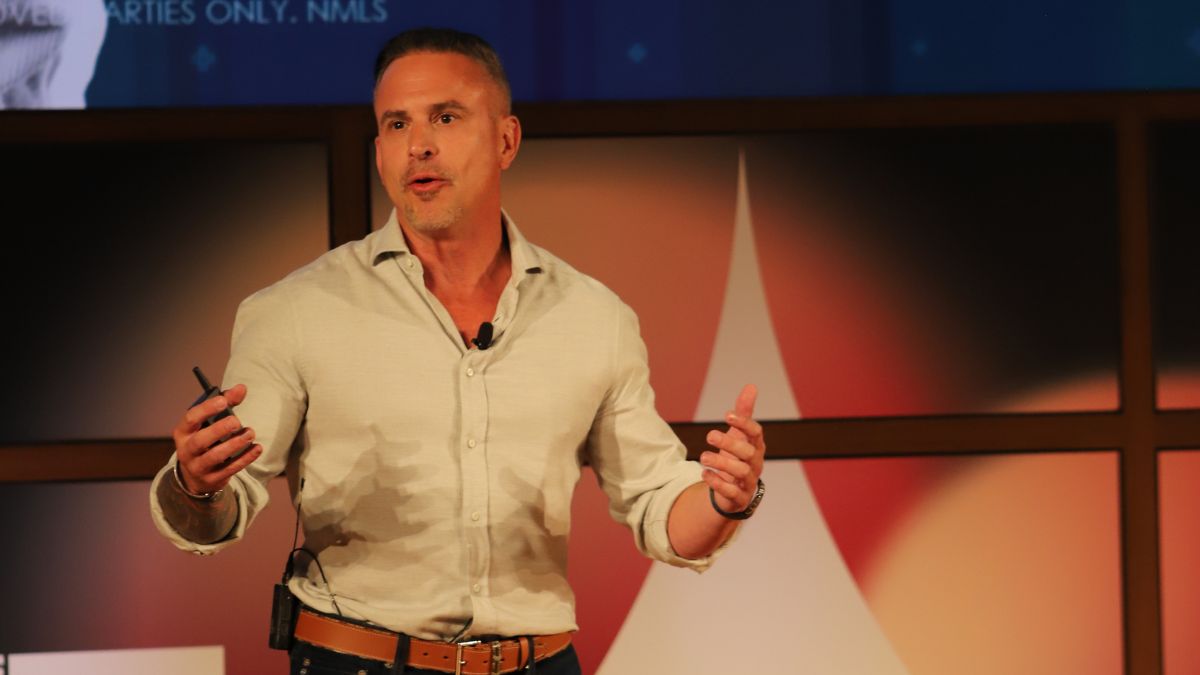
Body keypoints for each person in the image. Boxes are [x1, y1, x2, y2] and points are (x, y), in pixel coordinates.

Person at [150, 28, 767, 675]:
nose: (419, 144)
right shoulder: (295, 311)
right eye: (396, 124)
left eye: (445, 117)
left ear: (506, 140)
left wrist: (726, 498)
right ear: (380, 150)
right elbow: (219, 508)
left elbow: (657, 502)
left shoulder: (593, 317)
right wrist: (198, 485)